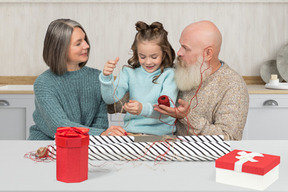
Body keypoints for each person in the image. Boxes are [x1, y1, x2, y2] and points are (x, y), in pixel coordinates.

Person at [29, 18, 126, 140]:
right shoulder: (44, 83)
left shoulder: (97, 77)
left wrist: (99, 135)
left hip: (86, 142)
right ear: (60, 48)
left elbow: (100, 122)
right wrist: (100, 134)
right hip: (46, 143)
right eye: (78, 43)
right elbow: (58, 126)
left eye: (84, 39)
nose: (87, 45)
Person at [154, 20, 249, 140]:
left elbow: (230, 139)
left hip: (204, 157)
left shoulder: (233, 86)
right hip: (161, 149)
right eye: (180, 45)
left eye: (186, 48)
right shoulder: (175, 69)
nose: (179, 52)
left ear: (208, 53)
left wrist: (187, 116)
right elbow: (134, 96)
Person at [99, 21, 178, 136]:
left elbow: (167, 110)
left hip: (160, 136)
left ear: (164, 54)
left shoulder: (170, 75)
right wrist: (106, 77)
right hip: (132, 133)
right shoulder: (128, 73)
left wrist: (142, 109)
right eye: (142, 56)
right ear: (137, 54)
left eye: (154, 57)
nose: (148, 62)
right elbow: (110, 99)